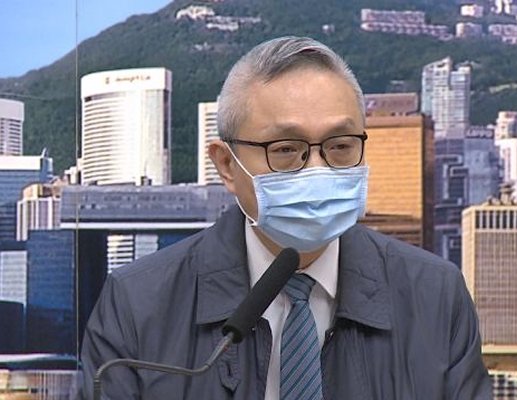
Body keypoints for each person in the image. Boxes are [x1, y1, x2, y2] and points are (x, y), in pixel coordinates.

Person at [78, 36, 492, 399]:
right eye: (286, 150)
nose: (318, 169)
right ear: (226, 165)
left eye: (340, 146)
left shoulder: (435, 296)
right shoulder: (137, 304)